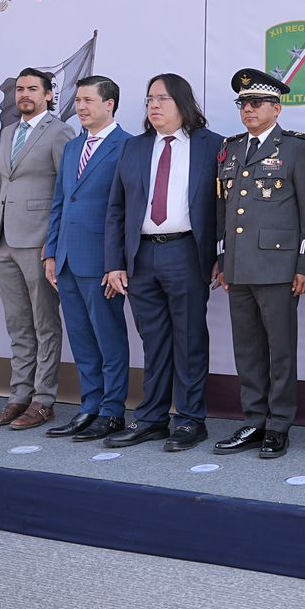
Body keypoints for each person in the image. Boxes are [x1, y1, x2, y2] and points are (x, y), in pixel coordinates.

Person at [102, 74, 224, 452]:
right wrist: (115, 263)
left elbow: (225, 207)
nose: (153, 106)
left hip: (186, 252)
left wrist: (221, 256)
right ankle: (152, 418)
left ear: (183, 103)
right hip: (141, 256)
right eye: (150, 99)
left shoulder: (212, 145)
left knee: (189, 339)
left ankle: (189, 419)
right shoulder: (135, 147)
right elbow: (116, 208)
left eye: (162, 99)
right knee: (153, 341)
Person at [212, 68, 305, 461]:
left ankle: (279, 425)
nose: (248, 110)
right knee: (247, 349)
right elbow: (223, 211)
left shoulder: (295, 149)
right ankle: (255, 419)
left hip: (278, 267)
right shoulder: (229, 149)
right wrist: (223, 260)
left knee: (280, 350)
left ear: (277, 108)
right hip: (239, 267)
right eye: (243, 103)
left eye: (256, 103)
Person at [0, 68, 74, 431]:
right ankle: (18, 396)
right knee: (18, 324)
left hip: (38, 241)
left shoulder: (60, 131)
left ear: (48, 95)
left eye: (32, 89)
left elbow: (65, 191)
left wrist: (53, 243)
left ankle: (43, 400)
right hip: (5, 240)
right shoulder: (7, 132)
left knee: (44, 324)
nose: (24, 94)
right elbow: (3, 187)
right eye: (20, 88)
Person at [42, 75, 132, 442]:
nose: (80, 107)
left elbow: (127, 211)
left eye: (87, 100)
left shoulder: (128, 147)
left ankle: (112, 411)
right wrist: (51, 252)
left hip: (102, 262)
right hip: (67, 260)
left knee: (109, 339)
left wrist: (116, 262)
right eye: (78, 100)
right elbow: (60, 203)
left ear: (109, 104)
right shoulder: (72, 147)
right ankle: (90, 405)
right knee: (81, 339)